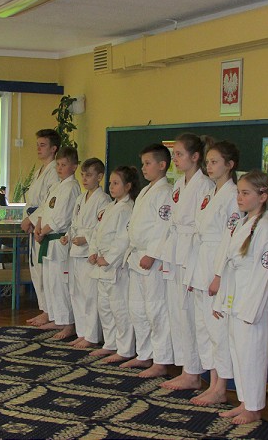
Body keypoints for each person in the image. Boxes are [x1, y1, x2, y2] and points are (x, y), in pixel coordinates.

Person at [214, 170, 268, 425]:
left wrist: (250, 311)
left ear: (262, 196)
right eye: (238, 193)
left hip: (253, 304)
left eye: (245, 193)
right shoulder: (243, 224)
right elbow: (229, 267)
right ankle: (245, 402)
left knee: (252, 355)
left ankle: (254, 408)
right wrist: (221, 301)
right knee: (239, 353)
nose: (240, 198)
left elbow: (264, 275)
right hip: (235, 297)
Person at [183, 141, 240, 405]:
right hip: (201, 262)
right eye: (207, 162)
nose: (209, 166)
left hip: (217, 264)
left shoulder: (234, 195)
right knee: (204, 327)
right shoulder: (210, 193)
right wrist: (193, 274)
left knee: (218, 329)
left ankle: (221, 386)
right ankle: (211, 380)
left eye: (215, 162)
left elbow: (231, 239)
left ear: (230, 165)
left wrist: (218, 275)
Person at [159, 133, 215, 390]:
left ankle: (193, 372)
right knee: (178, 313)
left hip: (192, 253)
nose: (175, 159)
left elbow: (201, 227)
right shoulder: (179, 184)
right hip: (176, 250)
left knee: (190, 314)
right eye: (174, 155)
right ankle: (186, 368)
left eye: (179, 154)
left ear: (195, 157)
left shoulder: (205, 186)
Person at [120, 144, 174, 377]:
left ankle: (161, 361)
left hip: (153, 258)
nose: (143, 168)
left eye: (148, 163)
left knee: (155, 309)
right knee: (137, 309)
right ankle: (144, 354)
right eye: (142, 164)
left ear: (162, 165)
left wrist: (152, 253)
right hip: (136, 256)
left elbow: (164, 227)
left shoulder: (166, 192)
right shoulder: (145, 191)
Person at [88, 165, 140, 363]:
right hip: (101, 264)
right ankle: (110, 343)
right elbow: (96, 232)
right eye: (110, 183)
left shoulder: (127, 208)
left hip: (115, 265)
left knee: (119, 308)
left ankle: (125, 349)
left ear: (128, 186)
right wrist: (93, 252)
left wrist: (108, 258)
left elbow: (123, 238)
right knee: (104, 307)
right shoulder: (110, 207)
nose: (111, 187)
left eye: (116, 183)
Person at [61, 158, 111, 349]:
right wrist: (68, 236)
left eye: (89, 175)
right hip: (75, 251)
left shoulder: (103, 200)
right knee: (76, 293)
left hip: (89, 253)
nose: (84, 179)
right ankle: (81, 332)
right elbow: (74, 223)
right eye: (82, 175)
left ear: (99, 177)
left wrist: (86, 238)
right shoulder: (81, 198)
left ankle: (91, 335)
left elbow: (102, 227)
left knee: (89, 296)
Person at [34, 146, 81, 339]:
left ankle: (68, 324)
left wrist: (43, 231)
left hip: (58, 240)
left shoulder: (71, 187)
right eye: (58, 165)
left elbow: (62, 218)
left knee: (61, 284)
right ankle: (56, 318)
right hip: (48, 239)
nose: (59, 168)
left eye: (64, 165)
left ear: (74, 167)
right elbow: (44, 210)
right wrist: (38, 226)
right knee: (50, 283)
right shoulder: (57, 186)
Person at [22, 129, 61, 328]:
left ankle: (50, 313)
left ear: (54, 148)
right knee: (37, 271)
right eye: (37, 144)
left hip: (43, 225)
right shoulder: (41, 170)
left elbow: (49, 202)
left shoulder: (54, 171)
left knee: (45, 272)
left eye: (43, 145)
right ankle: (45, 310)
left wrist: (32, 220)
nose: (38, 148)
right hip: (35, 223)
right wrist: (27, 218)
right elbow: (31, 201)